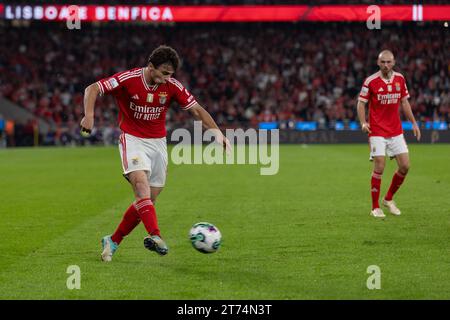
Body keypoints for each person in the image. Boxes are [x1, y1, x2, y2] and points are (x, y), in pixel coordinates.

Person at [81, 45, 230, 261]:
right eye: (164, 73)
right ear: (151, 67)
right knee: (141, 187)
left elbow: (197, 110)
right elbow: (92, 88)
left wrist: (217, 133)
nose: (167, 78)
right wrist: (89, 116)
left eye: (171, 75)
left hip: (158, 145)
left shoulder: (172, 86)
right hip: (132, 140)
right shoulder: (129, 78)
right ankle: (156, 236)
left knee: (148, 201)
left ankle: (112, 241)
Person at [357, 50, 421, 218]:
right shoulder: (370, 81)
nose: (386, 65)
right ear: (378, 63)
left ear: (394, 62)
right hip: (377, 130)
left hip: (395, 130)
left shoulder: (400, 79)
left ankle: (388, 199)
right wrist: (364, 122)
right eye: (383, 62)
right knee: (379, 165)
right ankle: (375, 207)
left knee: (405, 166)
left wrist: (414, 123)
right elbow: (361, 103)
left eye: (389, 62)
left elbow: (404, 102)